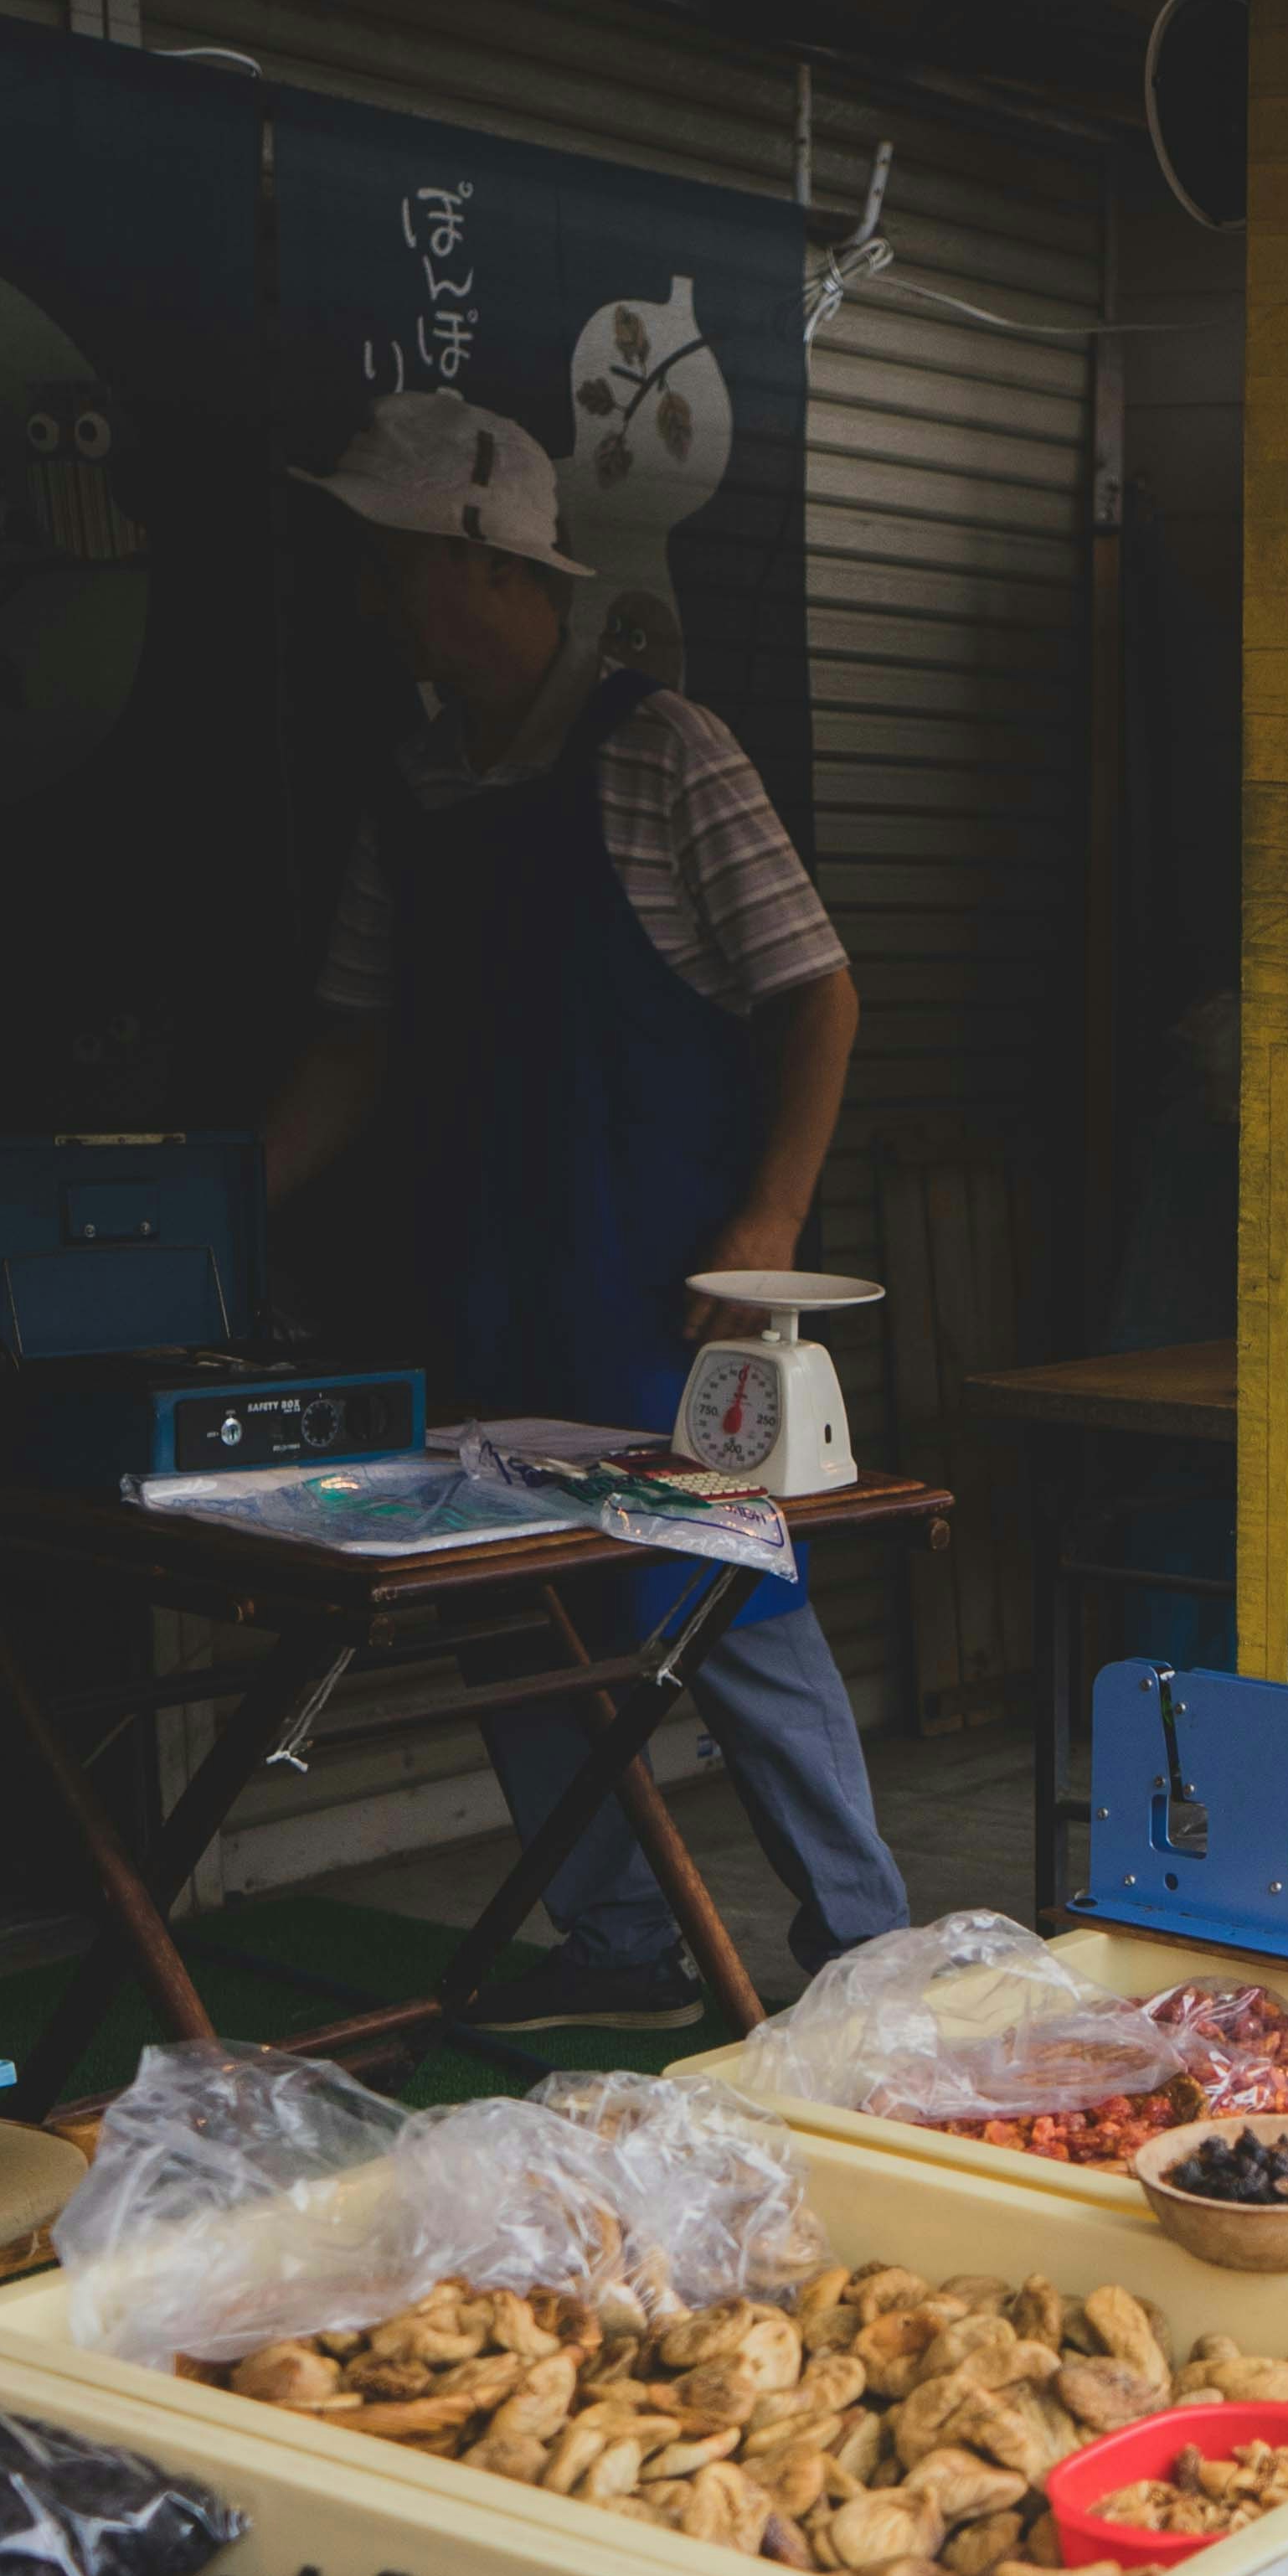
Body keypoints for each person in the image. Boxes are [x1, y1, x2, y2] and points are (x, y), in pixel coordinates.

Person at [260, 395, 913, 2031]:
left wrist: (770, 1217)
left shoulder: (662, 748)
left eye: (391, 563)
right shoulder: (410, 786)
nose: (373, 600)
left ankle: (868, 1955)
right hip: (486, 1282)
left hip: (663, 1293)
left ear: (482, 566)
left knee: (729, 1601)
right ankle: (618, 1943)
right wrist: (224, 1207)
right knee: (512, 1617)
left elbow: (821, 993)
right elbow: (356, 1037)